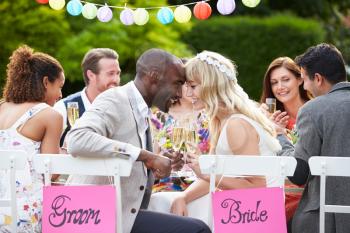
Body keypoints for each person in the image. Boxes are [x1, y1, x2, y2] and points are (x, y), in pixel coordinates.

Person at [66, 48, 211, 233]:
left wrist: (153, 170)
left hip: (122, 212)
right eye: (177, 83)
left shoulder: (143, 109)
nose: (178, 92)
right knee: (197, 229)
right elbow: (77, 139)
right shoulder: (115, 99)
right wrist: (146, 156)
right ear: (153, 77)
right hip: (92, 214)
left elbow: (125, 164)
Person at [150, 51, 282, 225]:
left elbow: (257, 188)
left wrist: (207, 175)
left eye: (193, 86)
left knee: (158, 206)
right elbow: (214, 177)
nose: (187, 93)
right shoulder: (220, 120)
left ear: (212, 85)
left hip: (254, 216)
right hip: (236, 207)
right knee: (161, 202)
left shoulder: (237, 124)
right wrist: (183, 196)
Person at [275, 43, 350, 233]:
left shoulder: (313, 110)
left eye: (304, 79)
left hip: (325, 221)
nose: (305, 86)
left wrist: (280, 138)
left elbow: (298, 173)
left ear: (318, 79)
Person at [0, 45, 64, 232]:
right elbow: (51, 172)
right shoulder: (50, 115)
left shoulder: (2, 106)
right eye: (59, 86)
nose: (61, 95)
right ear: (46, 82)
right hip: (26, 214)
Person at [260, 57, 311, 227]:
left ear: (299, 79)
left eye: (285, 80)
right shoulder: (267, 117)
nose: (279, 87)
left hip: (306, 195)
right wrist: (262, 127)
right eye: (274, 82)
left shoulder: (314, 112)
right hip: (273, 193)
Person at [54, 48, 120, 146]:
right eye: (110, 74)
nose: (116, 79)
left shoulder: (123, 107)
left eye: (118, 73)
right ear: (91, 75)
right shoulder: (63, 108)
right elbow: (50, 154)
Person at [151, 83, 210, 192]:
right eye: (186, 84)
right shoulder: (157, 116)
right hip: (166, 184)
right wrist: (162, 161)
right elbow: (150, 158)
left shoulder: (210, 114)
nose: (190, 90)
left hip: (203, 183)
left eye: (193, 85)